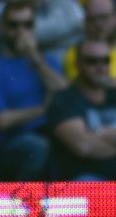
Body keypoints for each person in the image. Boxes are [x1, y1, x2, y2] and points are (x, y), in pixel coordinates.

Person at [0, 0, 66, 180]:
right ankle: (27, 203)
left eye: (27, 24)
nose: (21, 31)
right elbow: (2, 120)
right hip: (13, 142)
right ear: (3, 28)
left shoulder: (47, 62)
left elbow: (66, 93)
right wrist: (42, 109)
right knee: (38, 147)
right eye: (14, 25)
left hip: (53, 132)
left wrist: (34, 58)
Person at [47, 39, 116, 180]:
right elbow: (84, 146)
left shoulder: (113, 94)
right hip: (87, 179)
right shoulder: (64, 99)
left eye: (105, 60)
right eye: (92, 61)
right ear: (77, 64)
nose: (100, 66)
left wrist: (96, 134)